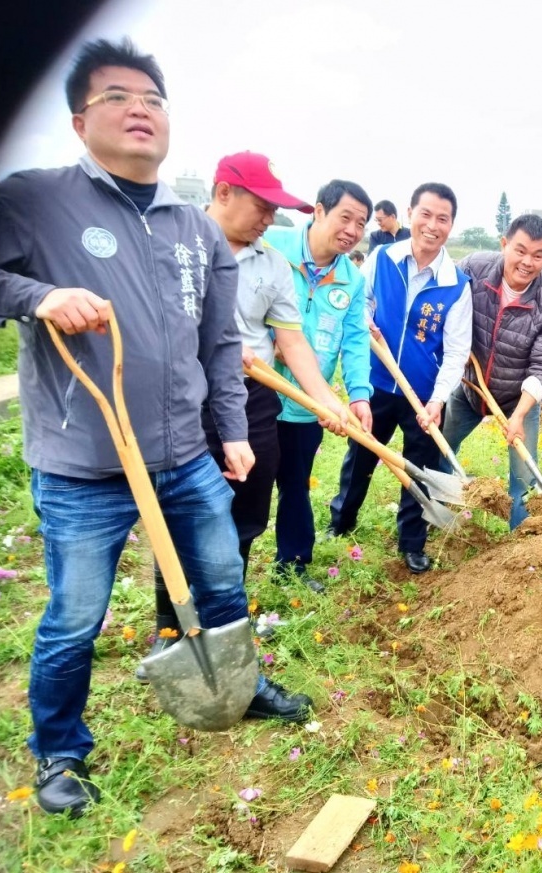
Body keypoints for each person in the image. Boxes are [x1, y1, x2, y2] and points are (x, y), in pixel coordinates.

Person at [0, 38, 313, 816]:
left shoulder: (194, 231)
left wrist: (231, 431)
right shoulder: (34, 200)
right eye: (117, 97)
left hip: (183, 454)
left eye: (154, 99)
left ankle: (238, 680)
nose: (140, 108)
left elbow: (220, 345)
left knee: (223, 576)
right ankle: (61, 750)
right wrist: (35, 296)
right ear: (78, 119)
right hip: (81, 464)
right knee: (75, 612)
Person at [139, 152, 349, 677]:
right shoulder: (170, 245)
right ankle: (171, 629)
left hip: (253, 400)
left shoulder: (273, 264)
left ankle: (225, 619)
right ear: (224, 192)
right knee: (180, 514)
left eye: (275, 212)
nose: (268, 221)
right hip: (183, 401)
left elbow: (292, 343)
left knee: (248, 512)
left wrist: (327, 400)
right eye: (261, 206)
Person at [328, 183, 472, 573]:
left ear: (451, 225)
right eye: (425, 214)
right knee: (360, 456)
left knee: (418, 469)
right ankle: (341, 521)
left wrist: (438, 400)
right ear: (411, 214)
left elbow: (457, 352)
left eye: (442, 218)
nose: (432, 225)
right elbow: (364, 300)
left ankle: (412, 542)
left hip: (422, 396)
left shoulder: (457, 284)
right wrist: (367, 317)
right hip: (376, 382)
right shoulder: (381, 258)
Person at [264, 180, 374, 591]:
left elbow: (356, 340)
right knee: (241, 489)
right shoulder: (272, 246)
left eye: (360, 223)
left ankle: (291, 563)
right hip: (255, 397)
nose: (352, 230)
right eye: (345, 217)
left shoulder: (351, 279)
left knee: (296, 485)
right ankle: (223, 571)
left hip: (308, 404)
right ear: (318, 211)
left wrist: (359, 394)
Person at [443, 214, 542, 529]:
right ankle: (437, 511)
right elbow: (443, 305)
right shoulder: (473, 268)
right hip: (471, 388)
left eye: (538, 255)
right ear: (504, 245)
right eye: (520, 250)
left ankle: (519, 543)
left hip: (519, 398)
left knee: (523, 478)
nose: (528, 262)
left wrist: (520, 414)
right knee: (441, 447)